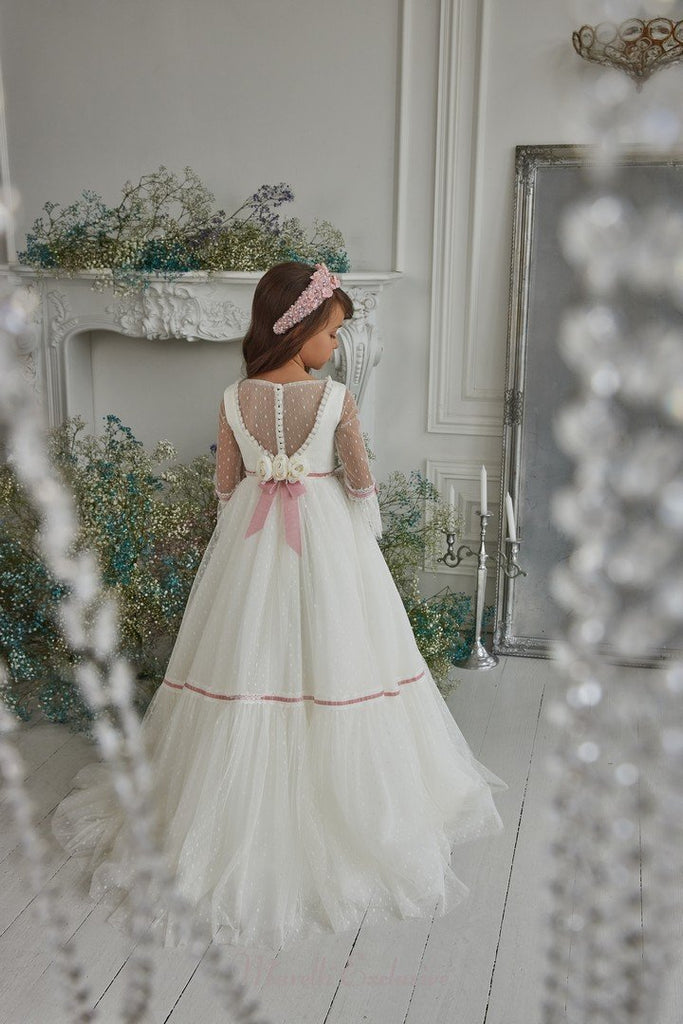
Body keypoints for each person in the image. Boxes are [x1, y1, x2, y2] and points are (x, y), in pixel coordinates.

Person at [51, 260, 508, 952]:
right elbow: (360, 483)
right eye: (330, 333)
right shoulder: (333, 400)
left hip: (250, 538)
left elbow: (226, 487)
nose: (335, 345)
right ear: (297, 330)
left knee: (250, 649)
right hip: (327, 538)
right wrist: (361, 527)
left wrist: (251, 513)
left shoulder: (235, 398)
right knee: (338, 646)